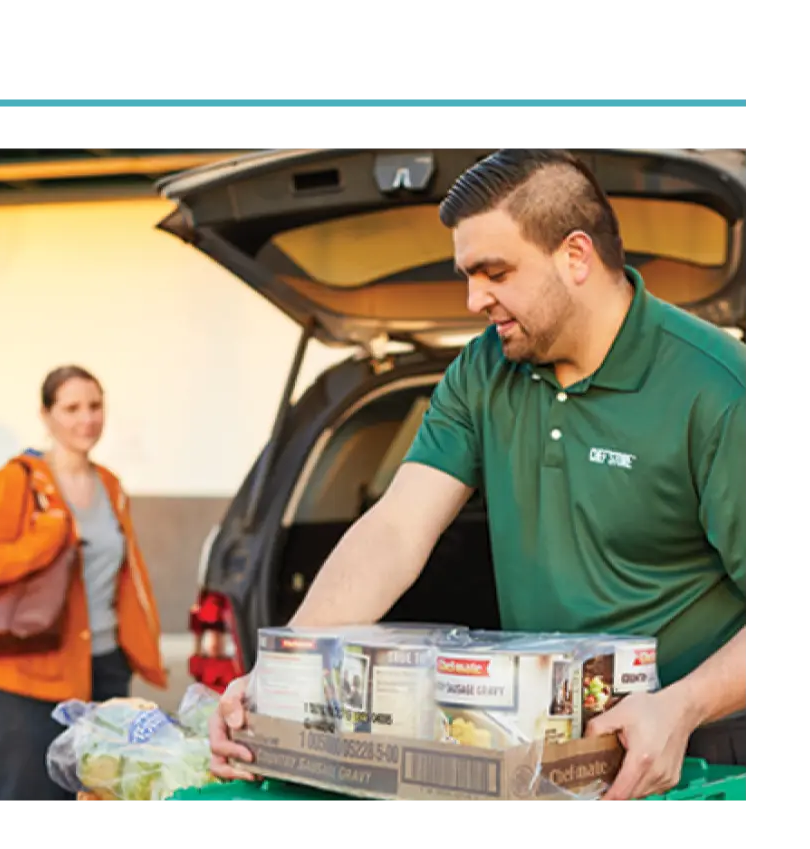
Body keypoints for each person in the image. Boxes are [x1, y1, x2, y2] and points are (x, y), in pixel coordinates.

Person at [209, 146, 748, 803]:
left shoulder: (716, 389)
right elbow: (398, 529)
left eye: (494, 271)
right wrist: (280, 674)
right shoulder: (481, 371)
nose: (472, 299)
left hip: (704, 750)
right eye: (467, 273)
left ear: (575, 257)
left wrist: (684, 706)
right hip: (547, 747)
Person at [0, 365, 167, 808]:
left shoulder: (110, 485)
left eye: (94, 406)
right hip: (30, 675)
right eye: (71, 408)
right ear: (46, 414)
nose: (86, 418)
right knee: (30, 798)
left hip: (105, 668)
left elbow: (124, 576)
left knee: (101, 796)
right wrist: (44, 539)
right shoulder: (16, 481)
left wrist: (139, 646)